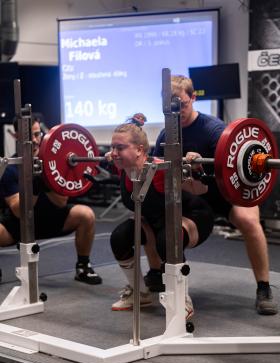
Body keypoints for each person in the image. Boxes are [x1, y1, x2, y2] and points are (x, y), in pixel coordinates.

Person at [153, 75, 278, 315]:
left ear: (193, 97)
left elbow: (234, 171)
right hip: (195, 197)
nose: (176, 110)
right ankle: (158, 273)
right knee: (150, 215)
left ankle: (263, 288)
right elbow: (160, 173)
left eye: (181, 103)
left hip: (226, 191)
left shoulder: (214, 130)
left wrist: (200, 165)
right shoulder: (164, 136)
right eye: (170, 104)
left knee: (250, 221)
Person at [108, 121, 214, 317]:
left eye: (120, 147)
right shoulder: (124, 167)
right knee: (120, 237)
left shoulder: (160, 170)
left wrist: (196, 168)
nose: (114, 153)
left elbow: (201, 190)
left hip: (193, 217)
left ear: (140, 150)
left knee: (167, 240)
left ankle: (181, 299)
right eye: (112, 147)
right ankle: (139, 293)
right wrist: (117, 154)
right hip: (157, 219)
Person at [0, 116, 102, 285]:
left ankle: (83, 267)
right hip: (19, 227)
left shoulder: (54, 163)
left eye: (37, 134)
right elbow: (19, 211)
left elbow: (61, 202)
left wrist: (45, 179)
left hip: (52, 219)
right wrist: (35, 184)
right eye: (28, 136)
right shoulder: (11, 168)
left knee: (86, 215)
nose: (34, 140)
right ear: (16, 136)